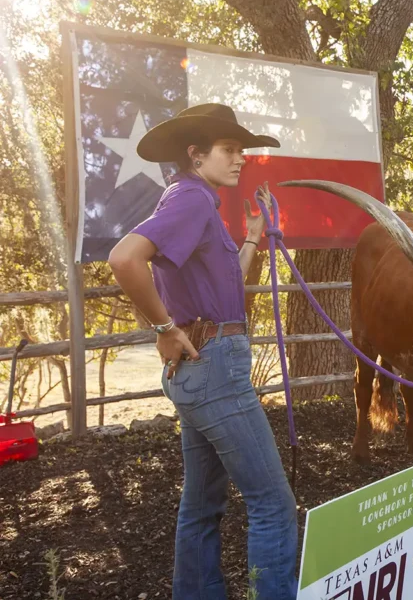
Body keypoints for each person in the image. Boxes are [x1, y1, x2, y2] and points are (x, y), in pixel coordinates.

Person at [108, 103, 298, 598]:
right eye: (230, 150)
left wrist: (253, 238)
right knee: (272, 505)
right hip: (215, 368)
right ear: (196, 155)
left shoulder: (194, 202)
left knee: (201, 507)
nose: (241, 159)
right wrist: (164, 326)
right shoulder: (191, 200)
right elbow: (125, 258)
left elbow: (220, 280)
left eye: (241, 150)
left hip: (201, 368)